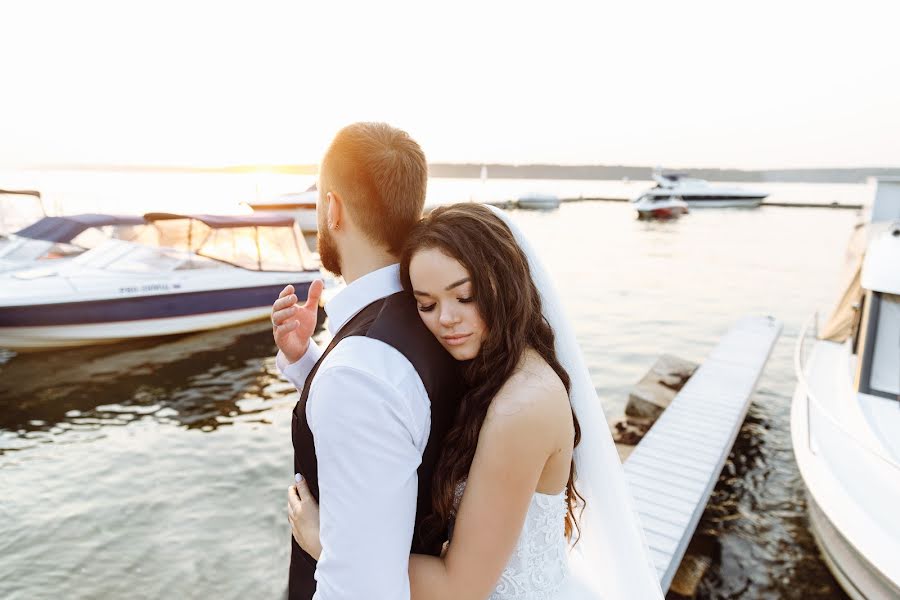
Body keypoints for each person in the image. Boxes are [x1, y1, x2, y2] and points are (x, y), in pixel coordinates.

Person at [288, 203, 665, 599]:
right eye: (427, 305)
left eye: (464, 296)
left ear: (503, 282)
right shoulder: (491, 366)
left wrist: (331, 545)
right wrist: (306, 363)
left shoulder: (523, 406)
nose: (446, 319)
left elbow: (458, 589)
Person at [271, 122, 466, 600]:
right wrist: (308, 364)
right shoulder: (437, 319)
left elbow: (362, 589)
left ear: (332, 208)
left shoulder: (360, 372)